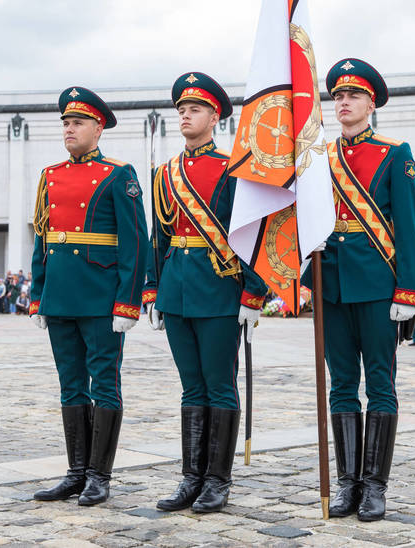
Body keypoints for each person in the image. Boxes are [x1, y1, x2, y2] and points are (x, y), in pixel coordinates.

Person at [302, 58, 415, 521]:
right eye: (338, 96)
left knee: (381, 384)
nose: (344, 102)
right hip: (331, 285)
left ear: (372, 103)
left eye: (353, 95)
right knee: (342, 386)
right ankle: (347, 482)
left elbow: (408, 229)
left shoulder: (395, 153)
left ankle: (375, 485)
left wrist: (407, 291)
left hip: (377, 286)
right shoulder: (318, 157)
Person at [142, 73, 267, 514]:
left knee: (219, 386)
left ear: (215, 116)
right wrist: (153, 288)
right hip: (176, 290)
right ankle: (190, 478)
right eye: (181, 109)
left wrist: (254, 294)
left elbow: (253, 233)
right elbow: (159, 236)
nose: (185, 115)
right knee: (190, 388)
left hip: (218, 289)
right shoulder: (165, 174)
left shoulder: (234, 166)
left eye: (194, 109)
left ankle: (217, 480)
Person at [29, 87, 148, 506]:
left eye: (77, 122)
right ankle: (75, 472)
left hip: (100, 298)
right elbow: (43, 238)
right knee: (70, 386)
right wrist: (38, 293)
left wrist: (128, 302)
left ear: (98, 128)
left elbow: (136, 241)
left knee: (105, 385)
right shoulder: (50, 175)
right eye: (65, 122)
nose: (69, 129)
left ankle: (100, 476)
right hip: (61, 295)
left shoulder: (119, 173)